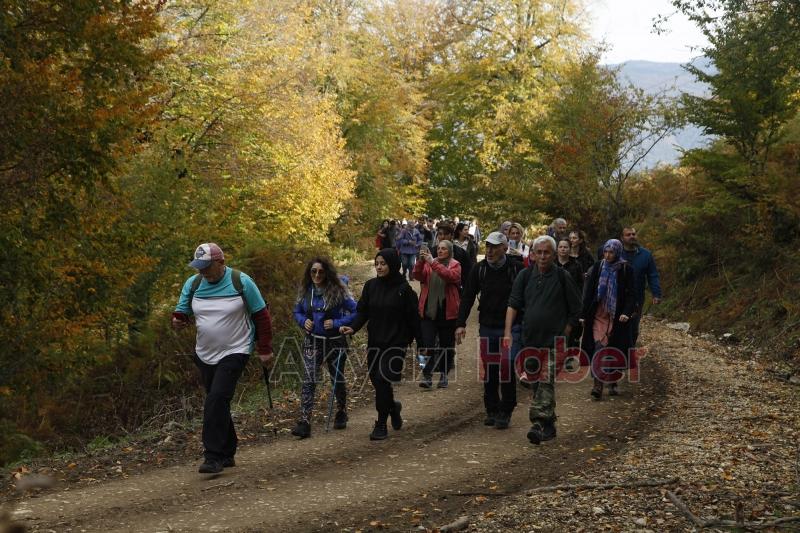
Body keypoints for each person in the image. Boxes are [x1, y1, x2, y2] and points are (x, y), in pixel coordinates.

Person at [172, 243, 273, 474]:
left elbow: (261, 316)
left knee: (216, 398)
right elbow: (182, 311)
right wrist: (178, 320)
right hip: (204, 353)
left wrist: (264, 348)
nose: (203, 271)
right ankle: (228, 451)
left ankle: (213, 456)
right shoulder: (194, 283)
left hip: (236, 349)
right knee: (218, 401)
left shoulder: (241, 282)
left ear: (221, 263)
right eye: (199, 267)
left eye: (207, 266)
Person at [504, 236, 581, 445]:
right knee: (538, 383)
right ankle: (549, 425)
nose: (543, 256)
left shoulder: (563, 277)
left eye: (547, 252)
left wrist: (565, 332)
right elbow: (513, 304)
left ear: (554, 255)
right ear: (533, 254)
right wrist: (508, 332)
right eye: (539, 252)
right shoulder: (525, 275)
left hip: (556, 341)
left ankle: (537, 423)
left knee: (546, 378)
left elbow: (576, 309)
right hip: (531, 340)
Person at [341, 249, 420, 440]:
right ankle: (393, 407)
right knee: (377, 380)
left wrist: (423, 345)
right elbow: (363, 312)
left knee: (383, 379)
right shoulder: (371, 286)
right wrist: (352, 327)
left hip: (396, 343)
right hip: (376, 342)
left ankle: (381, 423)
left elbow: (414, 320)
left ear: (392, 264)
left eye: (383, 263)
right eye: (377, 263)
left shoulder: (404, 290)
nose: (379, 267)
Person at [456, 232, 524, 429]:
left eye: (494, 247)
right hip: (487, 326)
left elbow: (526, 298)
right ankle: (492, 408)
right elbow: (467, 297)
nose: (490, 250)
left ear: (505, 248)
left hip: (512, 327)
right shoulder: (480, 269)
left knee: (506, 366)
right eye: (488, 246)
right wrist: (460, 323)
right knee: (491, 369)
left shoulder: (516, 269)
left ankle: (506, 409)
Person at [290, 257, 358, 438]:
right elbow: (297, 311)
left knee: (337, 378)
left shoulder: (339, 291)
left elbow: (357, 311)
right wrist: (304, 321)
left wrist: (337, 322)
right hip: (313, 341)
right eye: (313, 271)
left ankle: (341, 411)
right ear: (309, 273)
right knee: (309, 379)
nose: (317, 275)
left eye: (320, 271)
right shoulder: (305, 291)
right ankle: (304, 422)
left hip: (336, 341)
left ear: (327, 273)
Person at [581, 239, 635, 400]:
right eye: (606, 251)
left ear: (617, 252)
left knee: (613, 348)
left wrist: (627, 312)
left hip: (617, 316)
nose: (608, 255)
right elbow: (589, 291)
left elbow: (632, 293)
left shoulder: (626, 269)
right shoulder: (598, 267)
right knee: (599, 346)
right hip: (598, 314)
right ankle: (597, 384)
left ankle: (612, 380)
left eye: (611, 252)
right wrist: (583, 314)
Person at [414, 239, 462, 389]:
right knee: (424, 345)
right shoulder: (429, 262)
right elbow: (417, 276)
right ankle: (426, 375)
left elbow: (450, 276)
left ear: (450, 251)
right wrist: (421, 262)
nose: (440, 251)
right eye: (439, 248)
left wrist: (432, 263)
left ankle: (444, 375)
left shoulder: (455, 264)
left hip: (447, 313)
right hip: (428, 311)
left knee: (446, 346)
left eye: (444, 249)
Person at [620, 227, 662, 346]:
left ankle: (630, 351)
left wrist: (656, 293)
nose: (632, 236)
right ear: (622, 238)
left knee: (633, 326)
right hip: (618, 295)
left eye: (633, 234)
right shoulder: (616, 253)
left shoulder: (646, 255)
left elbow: (653, 275)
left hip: (637, 296)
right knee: (617, 325)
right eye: (628, 235)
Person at [436, 222, 471, 288]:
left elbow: (467, 276)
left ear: (452, 235)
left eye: (446, 234)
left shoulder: (462, 253)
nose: (443, 237)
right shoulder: (432, 252)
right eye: (440, 234)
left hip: (454, 292)